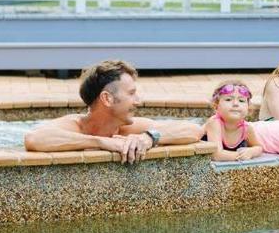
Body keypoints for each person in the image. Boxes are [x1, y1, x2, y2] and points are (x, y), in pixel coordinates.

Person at [24, 59, 202, 163]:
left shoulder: (129, 129)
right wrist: (101, 142)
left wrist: (149, 138)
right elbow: (33, 139)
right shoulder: (75, 126)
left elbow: (194, 130)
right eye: (131, 93)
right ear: (107, 99)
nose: (138, 101)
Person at [202, 79, 264, 162]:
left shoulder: (246, 128)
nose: (235, 104)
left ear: (248, 107)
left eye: (241, 100)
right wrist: (241, 156)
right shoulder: (214, 123)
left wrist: (251, 152)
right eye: (228, 99)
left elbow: (259, 147)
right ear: (216, 105)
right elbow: (216, 155)